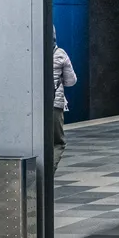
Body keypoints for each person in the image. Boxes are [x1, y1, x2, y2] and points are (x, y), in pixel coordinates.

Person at [51, 30, 77, 173]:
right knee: (57, 142)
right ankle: (48, 173)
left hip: (33, 105)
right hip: (54, 104)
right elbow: (71, 81)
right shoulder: (60, 54)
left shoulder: (31, 53)